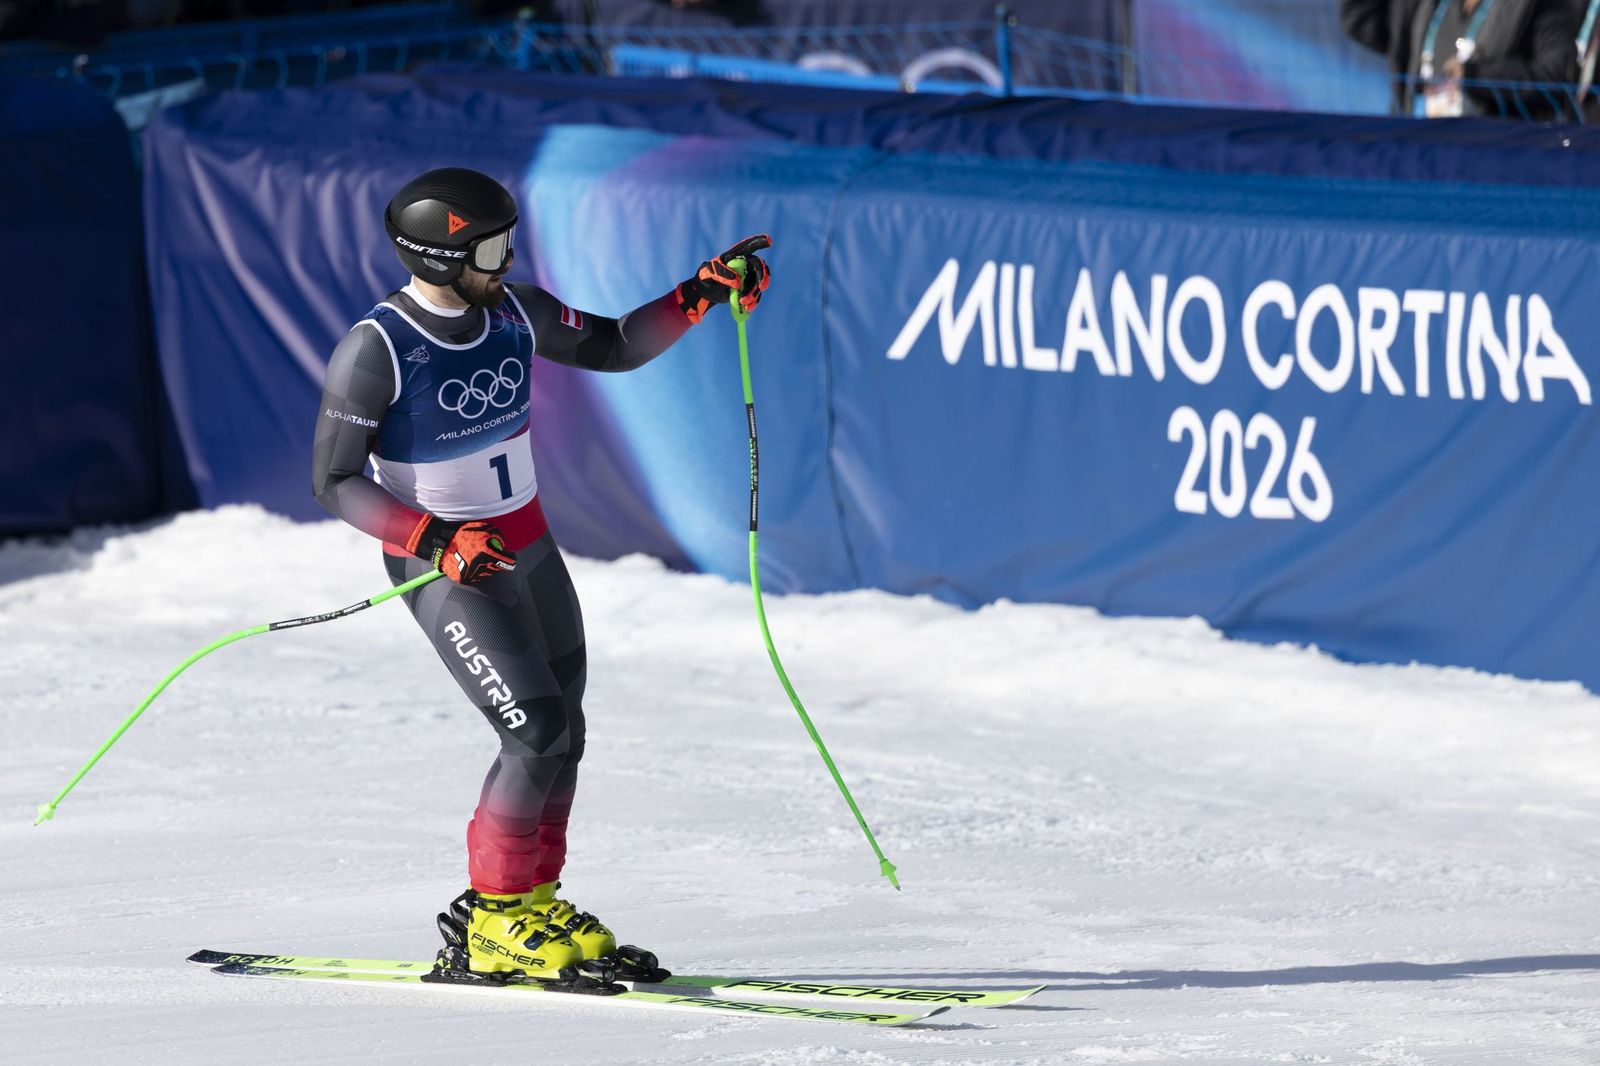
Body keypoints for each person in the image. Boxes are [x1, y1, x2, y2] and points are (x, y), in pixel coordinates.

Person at [310, 167, 770, 983]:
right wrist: (434, 538)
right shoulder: (377, 348)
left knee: (567, 733)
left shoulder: (515, 312)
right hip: (447, 566)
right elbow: (334, 480)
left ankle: (534, 900)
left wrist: (697, 295)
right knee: (533, 731)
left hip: (530, 546)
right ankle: (493, 919)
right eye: (492, 249)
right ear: (442, 256)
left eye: (509, 242)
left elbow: (616, 345)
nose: (509, 260)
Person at [1341, 0, 1580, 119]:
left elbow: (1557, 77)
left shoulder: (1542, 6)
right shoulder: (1424, 6)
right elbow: (1360, 20)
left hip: (1491, 160)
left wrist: (1477, 76)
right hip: (1419, 153)